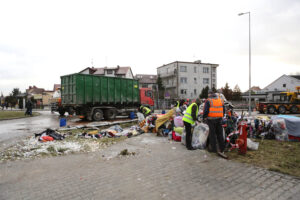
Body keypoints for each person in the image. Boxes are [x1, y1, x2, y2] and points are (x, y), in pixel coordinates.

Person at [203, 90, 228, 159]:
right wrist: (221, 116)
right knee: (220, 134)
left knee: (212, 134)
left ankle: (214, 149)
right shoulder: (220, 100)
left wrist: (204, 117)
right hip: (219, 119)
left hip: (211, 120)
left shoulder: (208, 101)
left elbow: (206, 111)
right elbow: (223, 110)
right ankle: (222, 148)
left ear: (209, 95)